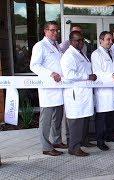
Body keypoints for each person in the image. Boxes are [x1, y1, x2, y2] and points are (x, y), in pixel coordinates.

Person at [30, 21, 67, 156]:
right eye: (52, 30)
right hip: (48, 88)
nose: (55, 33)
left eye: (56, 30)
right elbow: (34, 66)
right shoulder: (40, 46)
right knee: (46, 120)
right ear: (45, 31)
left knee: (58, 117)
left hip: (59, 87)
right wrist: (51, 73)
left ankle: (57, 141)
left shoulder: (57, 45)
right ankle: (46, 147)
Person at [60, 31, 97, 157]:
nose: (80, 42)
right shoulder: (69, 55)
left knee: (84, 120)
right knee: (76, 121)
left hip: (84, 92)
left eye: (82, 40)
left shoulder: (81, 53)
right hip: (75, 93)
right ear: (71, 41)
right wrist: (87, 76)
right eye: (77, 40)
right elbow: (69, 75)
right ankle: (74, 148)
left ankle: (82, 142)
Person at [91, 31, 114, 151]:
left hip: (112, 89)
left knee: (111, 116)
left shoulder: (111, 52)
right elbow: (97, 72)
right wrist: (111, 75)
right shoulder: (96, 54)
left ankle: (109, 135)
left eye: (111, 40)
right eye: (108, 39)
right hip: (103, 92)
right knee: (101, 118)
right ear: (100, 40)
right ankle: (100, 140)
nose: (111, 42)